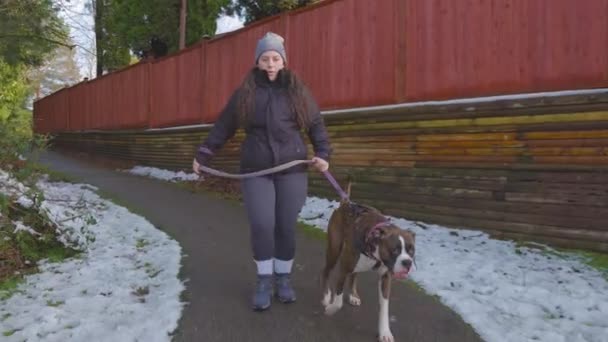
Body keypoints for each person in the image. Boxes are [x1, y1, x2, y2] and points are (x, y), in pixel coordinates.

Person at [192, 32, 332, 311]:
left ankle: (283, 278)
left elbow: (315, 123)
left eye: (275, 58)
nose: (270, 63)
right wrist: (203, 155)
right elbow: (224, 126)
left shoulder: (297, 91)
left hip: (292, 169)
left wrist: (322, 154)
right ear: (257, 62)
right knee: (262, 225)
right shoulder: (245, 93)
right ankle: (264, 279)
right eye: (265, 58)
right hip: (256, 169)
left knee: (285, 227)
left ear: (283, 61)